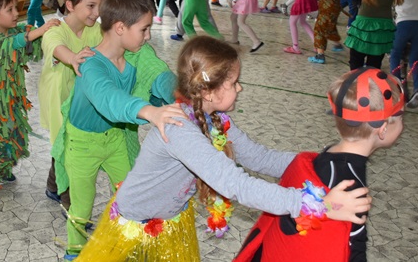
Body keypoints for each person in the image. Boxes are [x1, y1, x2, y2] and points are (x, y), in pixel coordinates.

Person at [76, 36, 371, 262]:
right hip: (134, 226)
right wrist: (317, 205)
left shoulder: (216, 120)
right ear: (208, 91)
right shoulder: (180, 129)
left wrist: (320, 162)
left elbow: (259, 157)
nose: (239, 88)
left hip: (170, 218)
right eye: (234, 82)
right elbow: (235, 184)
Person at [56, 0, 185, 259]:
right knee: (82, 206)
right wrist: (149, 111)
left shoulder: (136, 55)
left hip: (116, 140)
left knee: (133, 195)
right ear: (120, 28)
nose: (148, 37)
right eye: (144, 29)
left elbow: (158, 76)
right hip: (82, 145)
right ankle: (74, 251)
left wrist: (184, 96)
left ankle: (133, 245)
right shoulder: (91, 64)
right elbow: (109, 100)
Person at [235, 66, 404, 262]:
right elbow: (355, 252)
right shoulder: (351, 188)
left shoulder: (322, 157)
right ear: (383, 129)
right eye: (401, 117)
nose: (403, 124)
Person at [0, 0, 60, 199]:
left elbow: (30, 42)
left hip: (11, 97)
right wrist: (39, 30)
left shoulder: (15, 30)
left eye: (15, 8)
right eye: (9, 10)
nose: (16, 13)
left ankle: (3, 168)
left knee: (11, 133)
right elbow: (10, 44)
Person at [39, 0, 105, 209]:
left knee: (65, 143)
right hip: (58, 96)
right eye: (91, 6)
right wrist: (73, 58)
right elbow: (55, 46)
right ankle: (72, 205)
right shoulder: (56, 29)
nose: (96, 12)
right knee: (68, 147)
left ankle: (52, 186)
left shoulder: (95, 30)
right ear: (69, 5)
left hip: (81, 97)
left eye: (99, 6)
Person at [289, 0, 344, 64]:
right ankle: (337, 45)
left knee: (319, 30)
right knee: (330, 27)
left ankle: (320, 56)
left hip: (327, 10)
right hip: (334, 9)